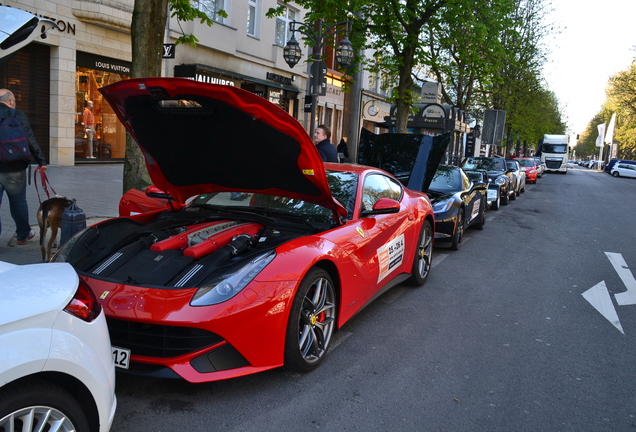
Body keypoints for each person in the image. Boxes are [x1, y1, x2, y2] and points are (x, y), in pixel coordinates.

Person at [0, 89, 48, 245]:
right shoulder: (16, 114)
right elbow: (29, 137)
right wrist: (41, 161)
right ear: (11, 101)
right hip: (14, 167)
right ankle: (22, 235)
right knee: (18, 203)